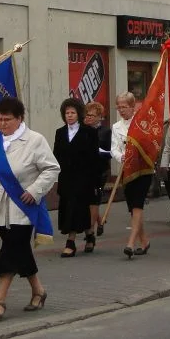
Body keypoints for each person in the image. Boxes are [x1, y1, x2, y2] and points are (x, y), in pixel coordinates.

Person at [0, 96, 59, 321]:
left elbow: (51, 168)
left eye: (7, 119)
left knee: (10, 249)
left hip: (24, 206)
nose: (2, 123)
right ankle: (38, 291)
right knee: (19, 250)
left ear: (20, 118)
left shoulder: (35, 140)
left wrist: (35, 190)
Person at [52, 98, 99, 257]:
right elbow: (56, 155)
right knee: (72, 209)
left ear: (79, 114)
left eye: (72, 112)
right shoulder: (60, 132)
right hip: (66, 177)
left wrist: (94, 180)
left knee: (77, 207)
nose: (70, 116)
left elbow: (94, 158)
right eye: (67, 113)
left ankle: (70, 242)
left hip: (83, 178)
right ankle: (90, 234)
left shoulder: (89, 132)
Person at [111, 92, 152, 258]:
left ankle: (130, 242)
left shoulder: (141, 122)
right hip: (127, 170)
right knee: (133, 208)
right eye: (119, 107)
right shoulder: (116, 127)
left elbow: (150, 143)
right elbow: (114, 148)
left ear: (132, 106)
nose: (121, 110)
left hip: (143, 169)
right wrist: (121, 156)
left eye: (124, 107)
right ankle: (144, 241)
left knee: (137, 205)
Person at [82, 102, 111, 236]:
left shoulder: (105, 132)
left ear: (100, 117)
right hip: (85, 170)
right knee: (89, 201)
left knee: (94, 200)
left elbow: (110, 152)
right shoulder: (82, 130)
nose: (88, 118)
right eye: (87, 115)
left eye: (92, 116)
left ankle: (91, 232)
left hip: (100, 171)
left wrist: (99, 151)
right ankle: (99, 222)